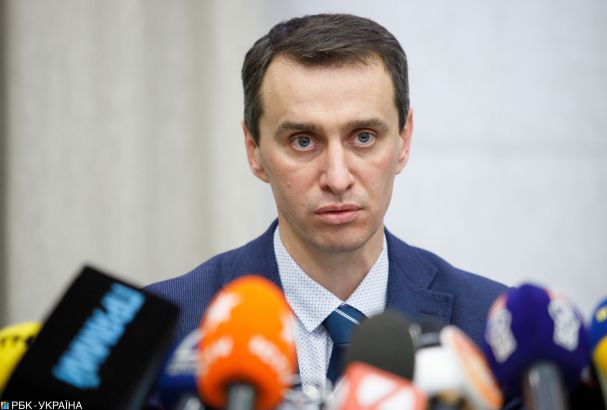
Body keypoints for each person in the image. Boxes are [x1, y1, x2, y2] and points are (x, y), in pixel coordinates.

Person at [147, 12, 508, 398]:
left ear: (404, 141)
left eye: (364, 137)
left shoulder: (490, 331)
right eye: (303, 141)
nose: (337, 178)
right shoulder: (160, 332)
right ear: (254, 151)